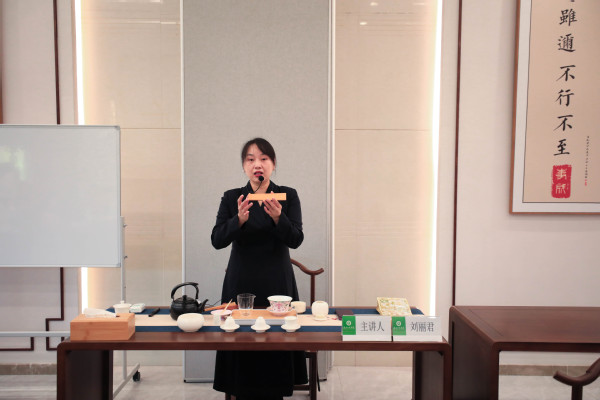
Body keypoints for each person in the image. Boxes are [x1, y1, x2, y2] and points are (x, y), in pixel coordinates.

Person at [211, 137, 308, 399]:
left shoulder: (287, 195)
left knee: (276, 341)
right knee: (241, 340)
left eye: (264, 159)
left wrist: (278, 217)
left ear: (273, 164)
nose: (258, 164)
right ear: (244, 166)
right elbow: (217, 240)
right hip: (241, 280)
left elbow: (296, 239)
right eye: (251, 159)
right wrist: (238, 220)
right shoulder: (232, 197)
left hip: (277, 281)